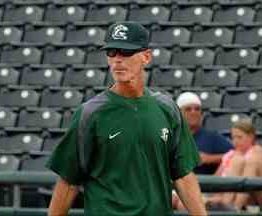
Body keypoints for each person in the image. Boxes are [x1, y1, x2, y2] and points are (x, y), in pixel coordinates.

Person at [46, 21, 207, 216]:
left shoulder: (167, 109)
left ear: (146, 57)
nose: (117, 60)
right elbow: (69, 181)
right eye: (111, 52)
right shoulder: (90, 114)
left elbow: (183, 176)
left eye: (125, 52)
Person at [206, 118, 262, 211]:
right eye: (233, 138)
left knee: (241, 161)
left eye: (239, 137)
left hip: (261, 196)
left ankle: (234, 208)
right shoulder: (230, 155)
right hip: (228, 197)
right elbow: (216, 179)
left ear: (251, 137)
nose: (235, 141)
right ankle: (229, 206)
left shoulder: (257, 151)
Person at [176, 92, 233, 175]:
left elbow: (235, 155)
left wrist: (209, 158)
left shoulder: (212, 137)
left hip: (204, 185)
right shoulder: (171, 137)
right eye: (188, 109)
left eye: (197, 109)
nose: (193, 112)